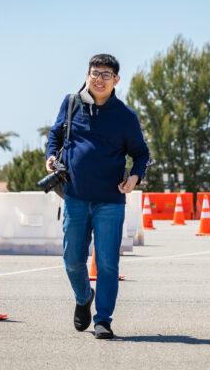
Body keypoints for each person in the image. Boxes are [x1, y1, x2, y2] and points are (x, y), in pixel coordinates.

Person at [46, 54, 150, 339]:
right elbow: (54, 136)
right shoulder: (70, 104)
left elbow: (142, 154)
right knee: (72, 260)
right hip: (75, 198)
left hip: (110, 201)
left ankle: (103, 319)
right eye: (95, 73)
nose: (99, 79)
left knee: (107, 263)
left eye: (106, 74)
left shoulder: (125, 116)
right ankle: (83, 298)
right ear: (87, 74)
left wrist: (134, 177)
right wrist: (51, 156)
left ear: (116, 79)